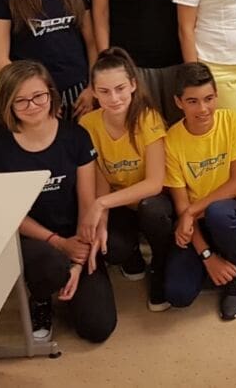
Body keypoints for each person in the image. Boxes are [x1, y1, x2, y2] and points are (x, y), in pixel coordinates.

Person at [0, 61, 115, 343]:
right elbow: (8, 212)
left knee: (97, 327)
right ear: (7, 104)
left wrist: (78, 261)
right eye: (21, 100)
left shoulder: (76, 136)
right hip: (33, 239)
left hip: (77, 234)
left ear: (51, 95)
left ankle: (70, 277)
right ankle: (41, 297)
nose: (32, 105)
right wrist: (57, 242)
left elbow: (87, 202)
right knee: (50, 263)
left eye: (39, 96)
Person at [77, 48, 176, 310]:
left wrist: (100, 205)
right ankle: (132, 255)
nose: (114, 98)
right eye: (104, 91)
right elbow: (100, 178)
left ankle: (160, 263)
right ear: (94, 92)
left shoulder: (148, 118)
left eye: (120, 88)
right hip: (118, 203)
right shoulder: (87, 124)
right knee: (110, 246)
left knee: (153, 209)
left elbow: (155, 183)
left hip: (152, 201)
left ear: (133, 85)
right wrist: (101, 222)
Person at [163, 63, 236, 321]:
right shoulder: (171, 141)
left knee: (218, 212)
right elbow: (182, 207)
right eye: (192, 101)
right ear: (179, 102)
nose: (203, 109)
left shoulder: (232, 121)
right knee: (178, 295)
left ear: (216, 96)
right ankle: (216, 265)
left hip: (232, 212)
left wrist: (192, 211)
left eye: (208, 99)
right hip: (197, 226)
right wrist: (207, 256)